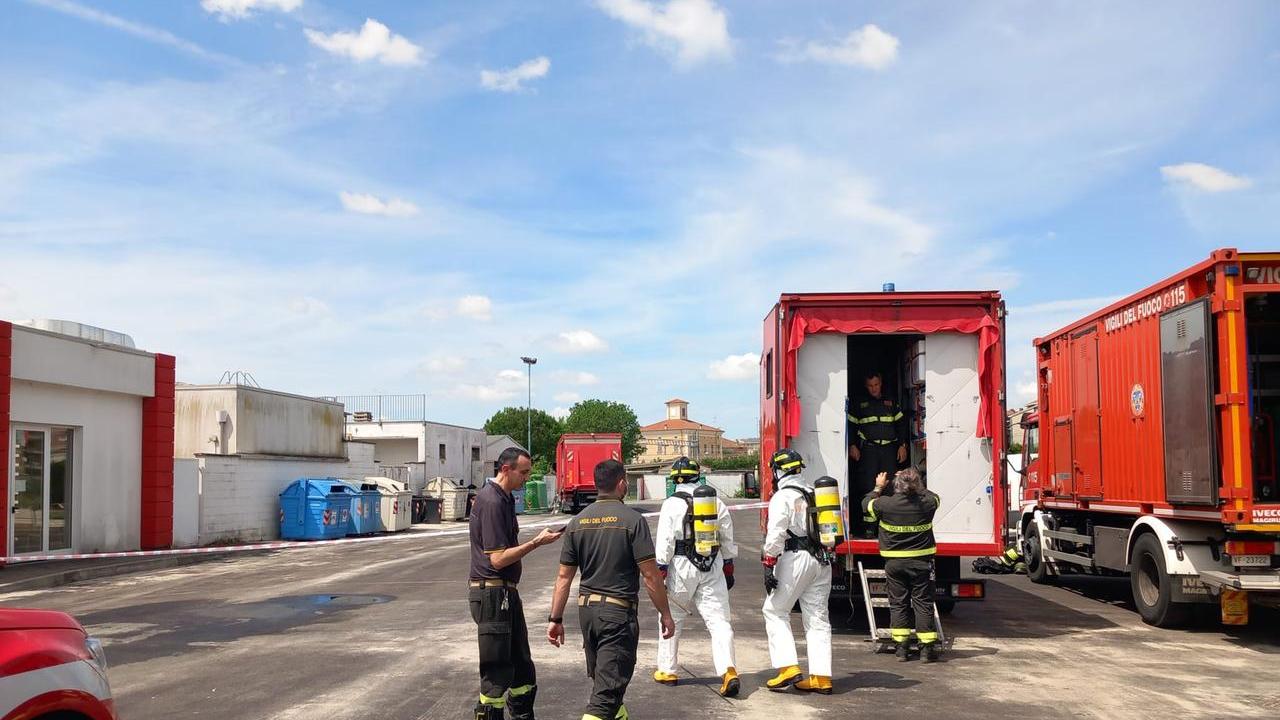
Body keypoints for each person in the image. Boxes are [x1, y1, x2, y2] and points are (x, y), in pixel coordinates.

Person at [548, 459, 676, 720]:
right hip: (617, 617)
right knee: (605, 698)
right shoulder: (633, 521)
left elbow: (563, 577)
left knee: (607, 687)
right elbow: (650, 575)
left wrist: (556, 619)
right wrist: (666, 613)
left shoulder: (577, 522)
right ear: (621, 484)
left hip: (588, 615)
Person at [468, 447, 564, 720]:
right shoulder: (492, 501)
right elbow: (497, 559)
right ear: (505, 469)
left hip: (505, 593)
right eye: (523, 473)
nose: (526, 478)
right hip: (492, 594)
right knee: (497, 674)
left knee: (522, 670)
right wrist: (536, 543)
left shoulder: (505, 499)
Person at [652, 457, 739, 697]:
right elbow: (727, 537)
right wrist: (728, 566)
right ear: (697, 476)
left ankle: (668, 670)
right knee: (719, 621)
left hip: (681, 566)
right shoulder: (715, 502)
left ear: (675, 480)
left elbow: (665, 542)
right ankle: (728, 670)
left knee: (672, 617)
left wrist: (661, 569)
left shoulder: (671, 504)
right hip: (712, 564)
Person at [760, 448, 833, 695]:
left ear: (778, 471)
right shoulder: (815, 493)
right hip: (822, 560)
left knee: (775, 610)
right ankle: (821, 677)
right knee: (817, 618)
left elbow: (777, 532)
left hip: (795, 558)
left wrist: (769, 562)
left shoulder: (783, 497)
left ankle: (787, 667)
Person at [861, 468, 942, 662]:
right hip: (921, 563)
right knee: (923, 604)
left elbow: (866, 505)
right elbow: (934, 496)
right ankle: (926, 650)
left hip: (894, 564)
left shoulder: (885, 504)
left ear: (896, 486)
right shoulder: (928, 503)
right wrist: (915, 481)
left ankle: (902, 649)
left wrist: (878, 487)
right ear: (917, 486)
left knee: (898, 604)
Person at [848, 371, 908, 536]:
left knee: (889, 487)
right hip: (868, 451)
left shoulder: (891, 402)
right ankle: (869, 528)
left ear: (881, 384)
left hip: (889, 450)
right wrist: (852, 445)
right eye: (870, 386)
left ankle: (887, 526)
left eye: (876, 385)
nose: (874, 389)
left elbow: (901, 425)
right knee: (869, 487)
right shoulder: (860, 404)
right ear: (866, 386)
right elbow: (851, 426)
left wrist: (902, 445)